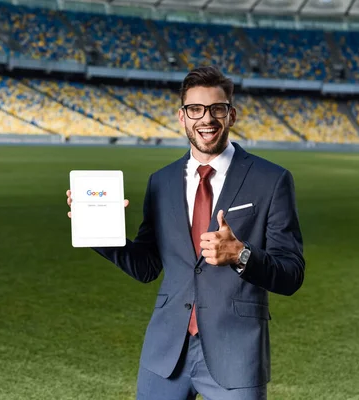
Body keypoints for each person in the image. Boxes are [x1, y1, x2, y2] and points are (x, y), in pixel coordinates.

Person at [66, 66, 305, 400]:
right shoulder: (161, 182)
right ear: (182, 117)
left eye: (216, 109)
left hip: (235, 353)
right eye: (195, 109)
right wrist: (99, 229)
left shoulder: (271, 180)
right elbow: (147, 267)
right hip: (165, 353)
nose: (206, 119)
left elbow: (291, 274)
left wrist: (240, 254)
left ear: (231, 114)